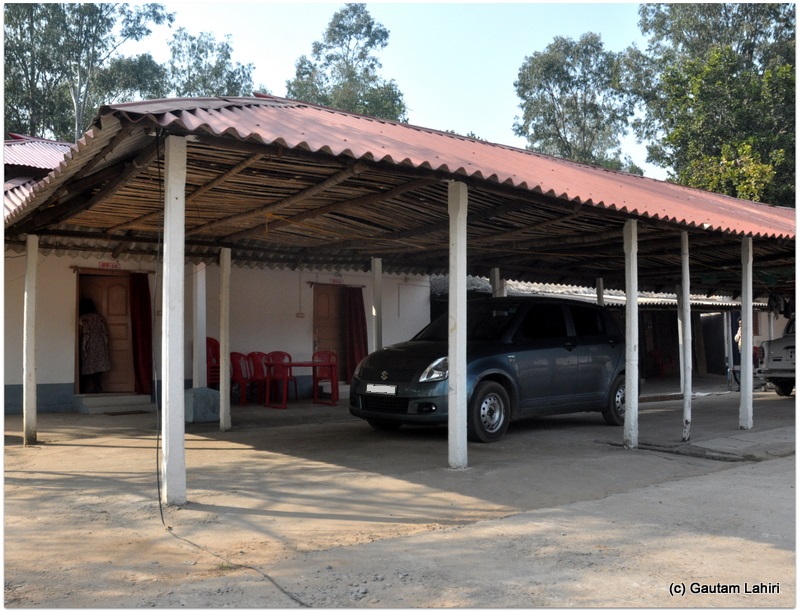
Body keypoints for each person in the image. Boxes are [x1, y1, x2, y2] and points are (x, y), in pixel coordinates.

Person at [79, 298, 111, 393]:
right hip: (100, 343)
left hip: (88, 344)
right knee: (99, 365)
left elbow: (80, 332)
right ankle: (97, 385)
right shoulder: (99, 317)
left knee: (88, 365)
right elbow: (104, 330)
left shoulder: (83, 318)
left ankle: (83, 388)